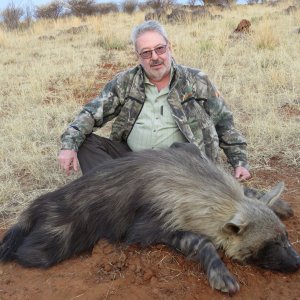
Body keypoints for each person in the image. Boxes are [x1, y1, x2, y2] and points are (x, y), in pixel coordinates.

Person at [58, 20, 251, 180]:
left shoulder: (196, 80)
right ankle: (115, 190)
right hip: (134, 161)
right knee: (86, 142)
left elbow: (224, 121)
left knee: (186, 150)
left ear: (170, 47)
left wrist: (239, 162)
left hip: (180, 164)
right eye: (146, 53)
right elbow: (92, 113)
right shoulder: (125, 81)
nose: (155, 57)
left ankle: (128, 193)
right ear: (138, 56)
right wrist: (69, 145)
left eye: (160, 49)